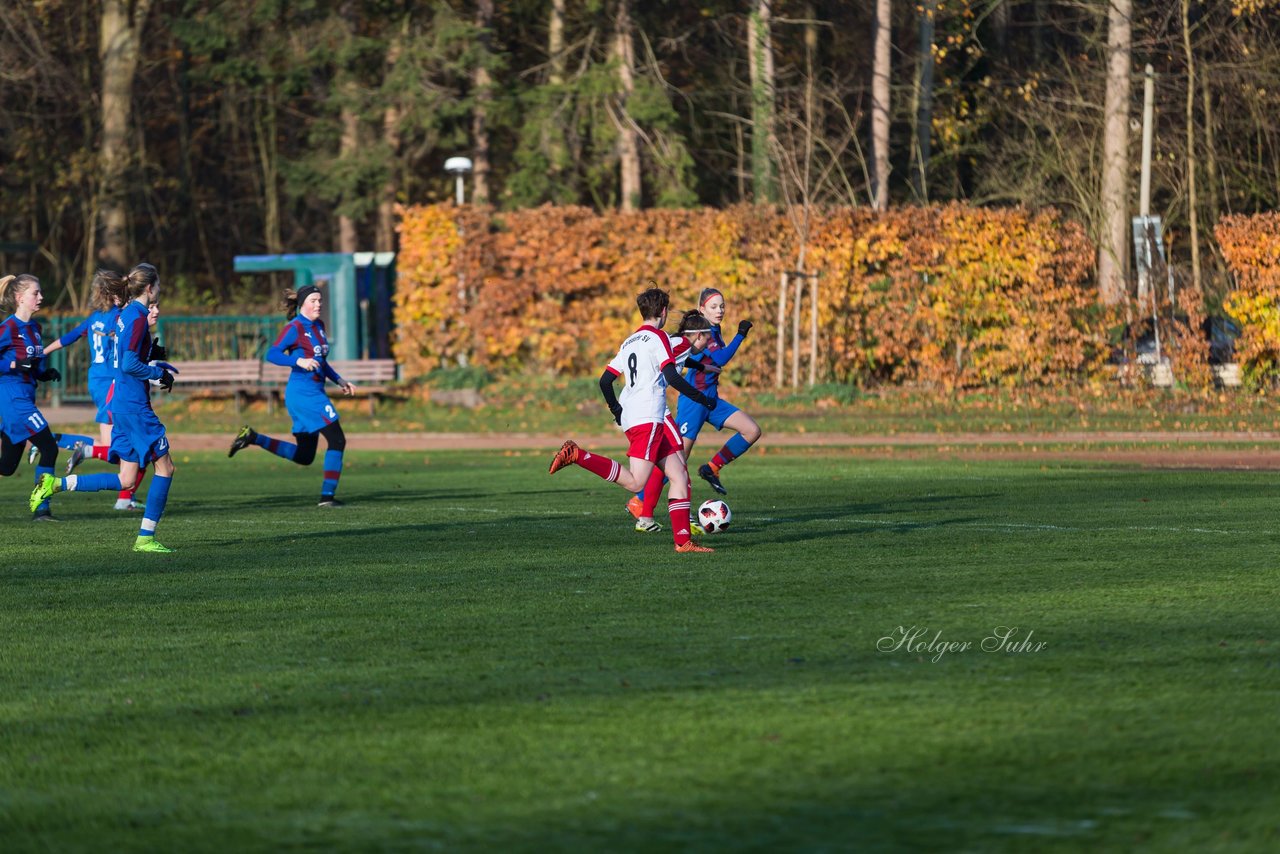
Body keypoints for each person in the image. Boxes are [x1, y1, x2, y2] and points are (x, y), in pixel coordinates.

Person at [548, 287, 717, 553]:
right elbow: (672, 376)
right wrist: (702, 398)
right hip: (648, 417)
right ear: (662, 312)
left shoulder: (630, 341)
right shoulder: (659, 337)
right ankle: (577, 455)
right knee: (637, 482)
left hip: (637, 416)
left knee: (679, 475)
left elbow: (605, 380)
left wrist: (616, 410)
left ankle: (683, 542)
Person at [31, 263, 179, 552]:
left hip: (121, 403)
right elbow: (127, 363)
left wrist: (154, 357)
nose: (158, 295)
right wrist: (157, 374)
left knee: (126, 478)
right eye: (157, 287)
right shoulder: (135, 317)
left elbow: (129, 357)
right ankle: (145, 538)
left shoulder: (124, 316)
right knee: (166, 468)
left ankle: (55, 484)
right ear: (150, 288)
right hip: (134, 406)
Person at [227, 284, 354, 506]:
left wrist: (339, 380)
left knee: (305, 456)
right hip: (303, 394)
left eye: (320, 300)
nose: (318, 304)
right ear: (302, 304)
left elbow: (322, 362)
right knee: (337, 439)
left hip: (312, 392)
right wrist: (298, 360)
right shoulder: (294, 328)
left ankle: (253, 437)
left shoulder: (319, 326)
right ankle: (327, 497)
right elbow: (272, 354)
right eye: (313, 300)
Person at [40, 269, 148, 510]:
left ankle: (124, 498)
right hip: (112, 383)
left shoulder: (95, 317)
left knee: (125, 445)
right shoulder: (117, 316)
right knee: (119, 448)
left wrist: (44, 351)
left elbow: (70, 337)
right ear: (114, 293)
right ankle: (81, 450)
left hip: (96, 380)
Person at [628, 309, 720, 533]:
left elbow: (678, 358)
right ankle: (684, 520)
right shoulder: (680, 344)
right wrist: (699, 397)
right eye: (707, 338)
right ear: (697, 335)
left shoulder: (677, 343)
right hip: (655, 409)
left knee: (669, 464)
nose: (708, 344)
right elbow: (672, 374)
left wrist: (701, 366)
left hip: (645, 406)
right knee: (678, 462)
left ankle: (645, 516)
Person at [675, 287, 762, 496]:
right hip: (694, 401)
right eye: (714, 306)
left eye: (722, 306)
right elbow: (720, 358)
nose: (719, 310)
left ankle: (711, 468)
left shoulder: (715, 329)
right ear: (702, 309)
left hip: (711, 400)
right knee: (677, 460)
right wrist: (740, 335)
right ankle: (640, 501)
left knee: (751, 430)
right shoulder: (704, 330)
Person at [0, 274, 63, 520]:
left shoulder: (35, 328)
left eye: (40, 292)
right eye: (35, 293)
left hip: (25, 396)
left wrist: (43, 373)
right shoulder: (7, 328)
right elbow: (15, 364)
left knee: (7, 467)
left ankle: (41, 508)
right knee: (48, 447)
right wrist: (15, 365)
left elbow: (30, 364)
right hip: (13, 398)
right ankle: (41, 509)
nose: (41, 297)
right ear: (19, 298)